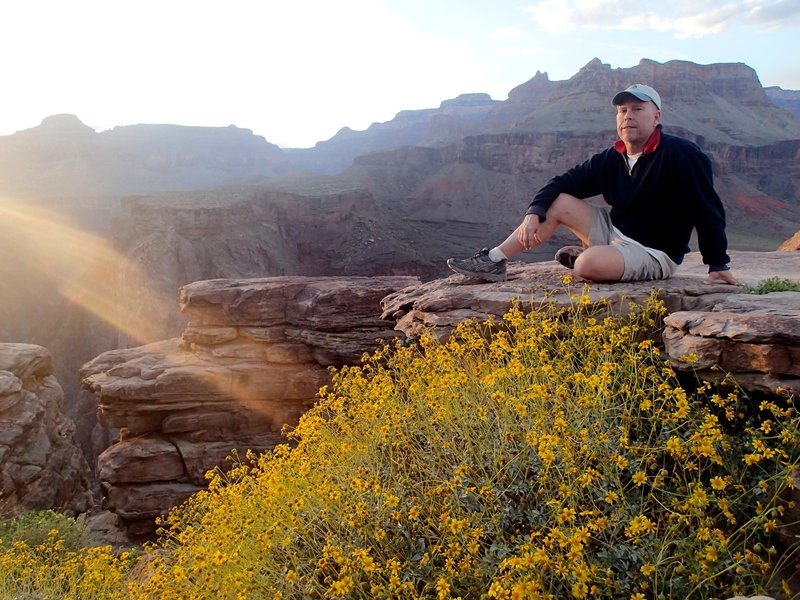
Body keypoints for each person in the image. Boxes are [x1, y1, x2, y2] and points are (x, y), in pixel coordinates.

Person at [447, 83, 739, 286]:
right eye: (623, 111)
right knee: (558, 201)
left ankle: (589, 258)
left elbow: (707, 210)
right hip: (616, 234)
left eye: (638, 109)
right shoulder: (613, 157)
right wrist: (533, 212)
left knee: (587, 266)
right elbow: (562, 182)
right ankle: (494, 259)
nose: (628, 116)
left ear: (656, 116)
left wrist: (718, 265)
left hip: (654, 253)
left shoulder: (681, 154)